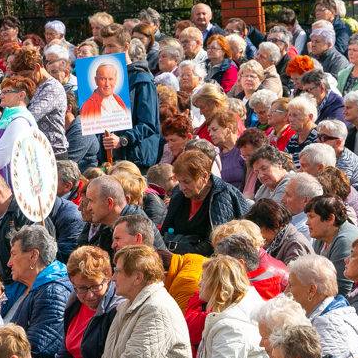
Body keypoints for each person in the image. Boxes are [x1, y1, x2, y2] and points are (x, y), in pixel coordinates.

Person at [55, 244, 124, 358]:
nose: (90, 295)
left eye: (95, 286)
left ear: (108, 277)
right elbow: (65, 353)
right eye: (82, 288)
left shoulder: (115, 311)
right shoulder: (74, 302)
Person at [1, 226, 72, 358]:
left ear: (33, 256)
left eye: (13, 254)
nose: (9, 263)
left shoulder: (52, 292)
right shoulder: (27, 287)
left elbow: (37, 347)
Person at [161, 150, 250, 256]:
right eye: (179, 181)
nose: (182, 187)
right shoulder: (179, 195)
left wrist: (185, 254)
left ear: (204, 176)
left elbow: (217, 243)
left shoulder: (223, 197)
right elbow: (165, 231)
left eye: (187, 181)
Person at [99, 24, 162, 171]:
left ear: (126, 46)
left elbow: (148, 124)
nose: (107, 51)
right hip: (111, 158)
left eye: (111, 46)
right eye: (104, 47)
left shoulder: (142, 79)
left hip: (136, 160)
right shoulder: (105, 79)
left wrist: (122, 140)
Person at [286, 254, 358, 358]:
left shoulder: (329, 324)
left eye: (291, 285)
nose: (287, 291)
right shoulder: (326, 314)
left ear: (311, 290)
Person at [315, 120, 358, 227]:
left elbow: (335, 191)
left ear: (338, 142)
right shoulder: (330, 157)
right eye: (318, 136)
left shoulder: (346, 162)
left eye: (323, 138)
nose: (318, 141)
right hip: (341, 207)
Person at [305, 195, 358, 296]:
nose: (307, 222)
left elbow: (341, 289)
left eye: (311, 216)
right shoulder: (321, 236)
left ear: (330, 219)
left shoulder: (344, 241)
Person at [244, 198, 313, 265]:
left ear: (275, 225)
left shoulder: (295, 246)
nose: (258, 235)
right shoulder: (275, 241)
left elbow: (291, 275)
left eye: (259, 230)